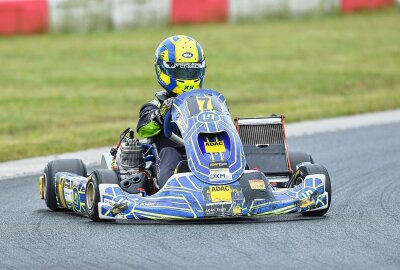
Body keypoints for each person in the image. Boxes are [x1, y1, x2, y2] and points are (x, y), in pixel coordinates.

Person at [136, 35, 206, 188]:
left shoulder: (206, 101)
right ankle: (171, 190)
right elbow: (143, 130)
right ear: (164, 69)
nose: (187, 77)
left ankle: (250, 184)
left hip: (205, 154)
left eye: (191, 71)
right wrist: (161, 114)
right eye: (181, 71)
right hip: (171, 157)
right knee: (170, 153)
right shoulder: (154, 105)